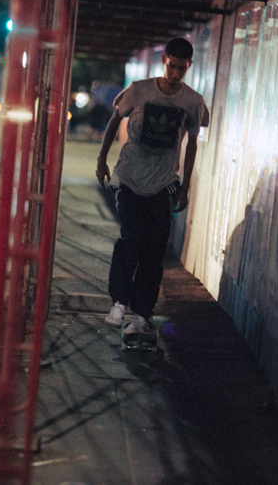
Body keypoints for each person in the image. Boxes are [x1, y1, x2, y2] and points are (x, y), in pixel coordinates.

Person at [95, 37, 209, 335]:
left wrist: (185, 186)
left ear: (189, 66)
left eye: (182, 68)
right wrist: (102, 159)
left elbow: (193, 143)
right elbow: (114, 119)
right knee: (132, 238)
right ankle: (120, 301)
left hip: (163, 183)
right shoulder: (139, 90)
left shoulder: (192, 101)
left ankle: (141, 315)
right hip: (129, 179)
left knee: (154, 249)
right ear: (164, 61)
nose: (176, 74)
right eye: (172, 66)